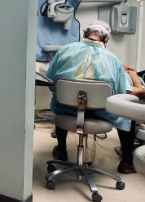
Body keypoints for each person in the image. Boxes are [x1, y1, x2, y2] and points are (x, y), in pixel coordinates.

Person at [46, 20, 144, 174]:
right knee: (127, 114)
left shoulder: (64, 51)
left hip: (67, 109)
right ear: (107, 39)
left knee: (60, 101)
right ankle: (127, 162)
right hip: (100, 112)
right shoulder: (113, 60)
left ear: (84, 32)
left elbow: (50, 81)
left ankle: (61, 150)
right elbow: (120, 94)